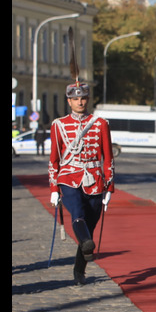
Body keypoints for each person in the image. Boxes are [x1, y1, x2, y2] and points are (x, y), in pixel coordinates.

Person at [48, 79, 115, 286]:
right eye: (75, 98)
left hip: (94, 180)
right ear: (69, 101)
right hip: (68, 177)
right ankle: (85, 248)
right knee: (77, 214)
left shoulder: (100, 124)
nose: (80, 102)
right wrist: (53, 188)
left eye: (83, 98)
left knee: (89, 228)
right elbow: (54, 159)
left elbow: (108, 157)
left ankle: (79, 269)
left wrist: (109, 187)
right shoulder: (58, 125)